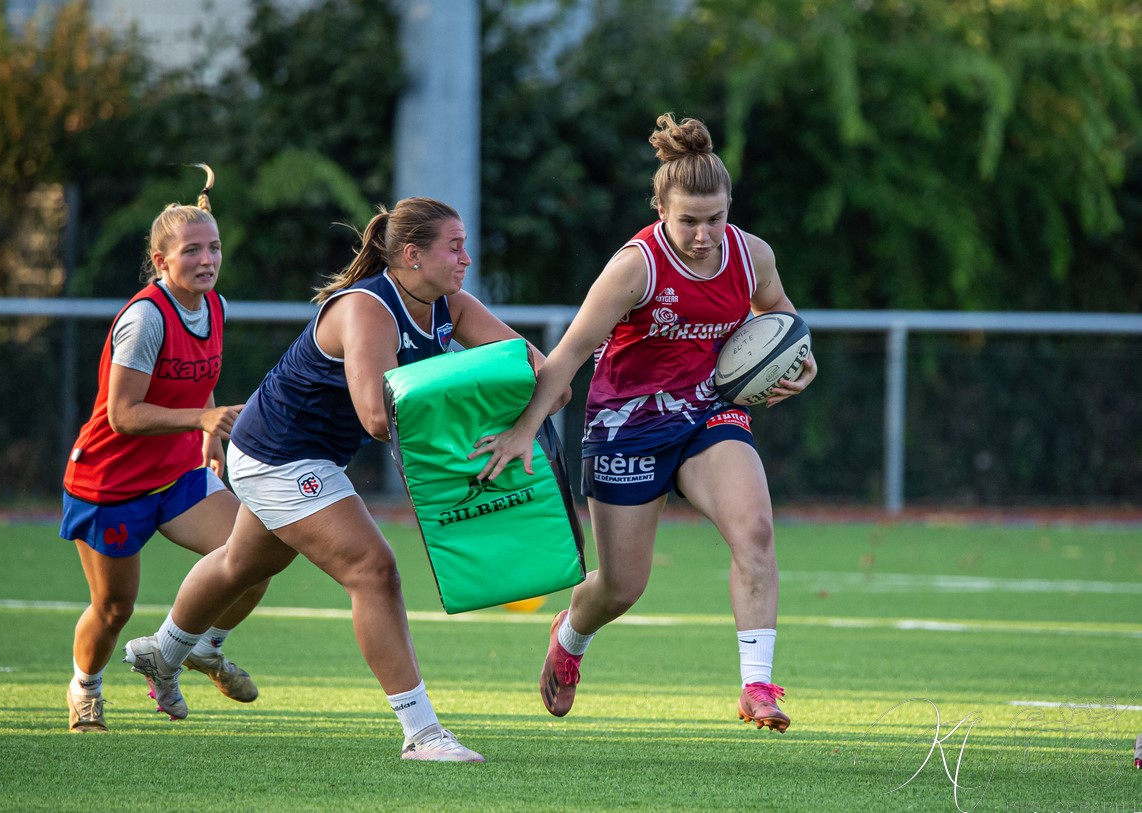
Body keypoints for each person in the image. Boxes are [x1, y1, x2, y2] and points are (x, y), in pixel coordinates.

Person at [124, 196, 561, 762]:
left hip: (307, 456)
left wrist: (525, 416)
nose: (466, 258)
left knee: (245, 562)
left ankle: (164, 650)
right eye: (454, 247)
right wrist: (476, 396)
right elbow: (377, 419)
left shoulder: (450, 303)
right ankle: (421, 732)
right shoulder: (367, 310)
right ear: (411, 255)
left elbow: (537, 370)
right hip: (277, 454)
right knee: (373, 570)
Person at [471, 113, 818, 733]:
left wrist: (804, 361)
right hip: (626, 425)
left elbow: (782, 318)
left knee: (756, 531)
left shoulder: (751, 256)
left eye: (715, 217)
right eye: (689, 220)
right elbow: (572, 350)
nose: (705, 233)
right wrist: (526, 427)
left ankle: (757, 686)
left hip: (708, 413)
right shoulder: (637, 266)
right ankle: (571, 634)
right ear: (661, 208)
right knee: (623, 587)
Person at [61, 164, 268, 733]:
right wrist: (203, 417)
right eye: (192, 251)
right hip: (111, 480)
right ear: (161, 262)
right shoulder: (145, 318)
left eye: (215, 248)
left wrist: (206, 434)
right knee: (113, 610)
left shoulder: (215, 306)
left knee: (256, 552)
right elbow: (122, 415)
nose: (207, 260)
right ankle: (85, 687)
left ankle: (197, 648)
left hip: (176, 471)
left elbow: (196, 380)